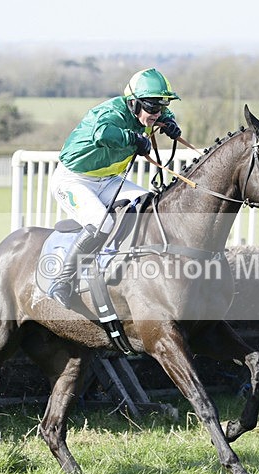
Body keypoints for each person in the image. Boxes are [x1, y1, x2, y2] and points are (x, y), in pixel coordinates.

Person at [47, 68, 182, 308]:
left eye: (161, 107)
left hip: (108, 180)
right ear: (134, 103)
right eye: (152, 107)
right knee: (102, 223)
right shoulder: (111, 112)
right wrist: (132, 138)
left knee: (150, 206)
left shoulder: (148, 113)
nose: (157, 113)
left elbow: (163, 113)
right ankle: (62, 281)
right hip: (73, 180)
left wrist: (170, 122)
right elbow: (101, 133)